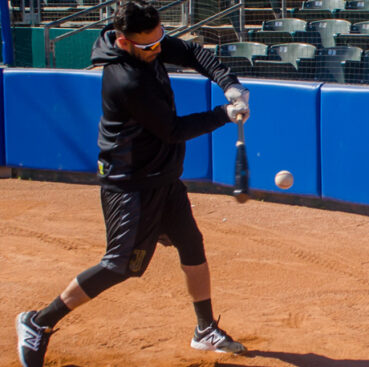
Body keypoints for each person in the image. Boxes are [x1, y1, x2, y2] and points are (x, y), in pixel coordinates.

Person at [15, 1, 251, 366]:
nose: (158, 50)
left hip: (163, 177)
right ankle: (38, 321)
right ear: (125, 43)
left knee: (192, 245)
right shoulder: (127, 81)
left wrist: (229, 85)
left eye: (159, 41)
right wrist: (223, 115)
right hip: (130, 184)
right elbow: (172, 131)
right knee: (118, 265)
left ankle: (204, 329)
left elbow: (189, 51)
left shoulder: (148, 43)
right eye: (149, 46)